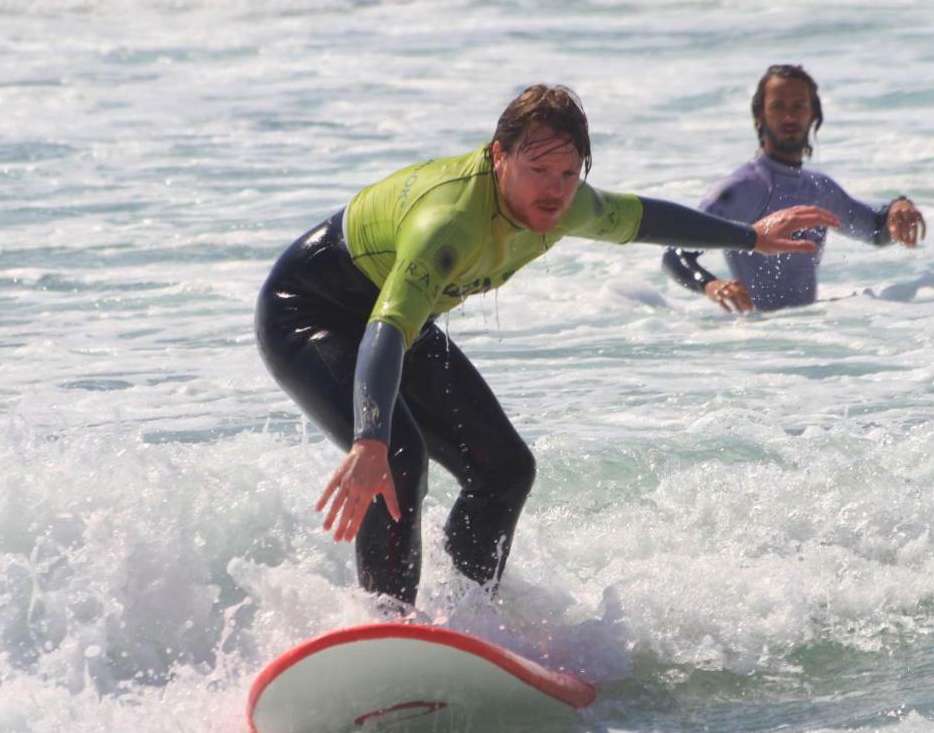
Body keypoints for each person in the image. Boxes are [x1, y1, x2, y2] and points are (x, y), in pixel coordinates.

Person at [255, 85, 839, 608]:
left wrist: (750, 237)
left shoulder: (566, 203)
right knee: (396, 454)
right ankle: (384, 624)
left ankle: (468, 619)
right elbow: (383, 330)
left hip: (398, 320)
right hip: (311, 313)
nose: (555, 192)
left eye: (568, 174)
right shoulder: (449, 224)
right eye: (538, 171)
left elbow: (644, 221)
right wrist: (368, 439)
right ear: (498, 156)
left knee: (505, 470)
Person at [662, 64, 927, 313]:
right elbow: (675, 253)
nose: (789, 116)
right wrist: (710, 284)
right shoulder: (740, 189)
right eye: (778, 106)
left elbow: (875, 230)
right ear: (759, 117)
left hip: (801, 340)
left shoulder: (820, 189)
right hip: (752, 337)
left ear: (814, 115)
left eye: (799, 105)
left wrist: (897, 208)